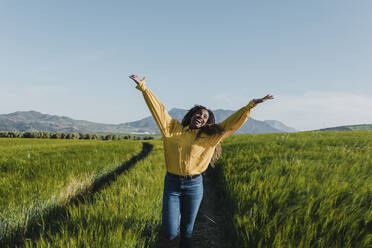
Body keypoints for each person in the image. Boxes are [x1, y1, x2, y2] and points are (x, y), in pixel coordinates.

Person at [129, 75, 273, 248]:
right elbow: (158, 109)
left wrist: (251, 105)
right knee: (170, 232)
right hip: (172, 184)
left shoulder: (210, 138)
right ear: (191, 115)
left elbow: (230, 124)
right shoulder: (172, 129)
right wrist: (144, 88)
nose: (201, 116)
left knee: (187, 233)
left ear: (207, 122)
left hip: (194, 185)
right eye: (198, 113)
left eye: (205, 116)